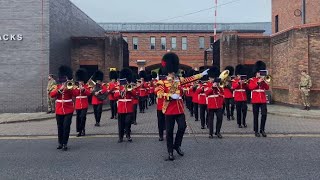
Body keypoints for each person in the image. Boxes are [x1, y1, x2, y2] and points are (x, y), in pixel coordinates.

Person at [156, 52, 208, 161]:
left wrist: (201, 75)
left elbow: (190, 79)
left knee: (182, 127)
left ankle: (177, 145)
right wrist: (170, 95)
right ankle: (170, 151)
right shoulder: (162, 82)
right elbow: (158, 93)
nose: (173, 72)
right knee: (169, 132)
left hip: (179, 109)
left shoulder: (179, 80)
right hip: (169, 109)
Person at [50, 66, 76, 151]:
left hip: (68, 109)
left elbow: (75, 93)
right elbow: (52, 94)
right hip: (59, 109)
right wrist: (60, 90)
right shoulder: (57, 86)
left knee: (66, 126)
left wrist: (70, 87)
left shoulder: (70, 86)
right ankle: (60, 143)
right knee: (60, 127)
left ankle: (65, 143)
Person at [114, 68, 137, 143]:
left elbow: (135, 94)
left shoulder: (130, 86)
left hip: (129, 107)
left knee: (128, 122)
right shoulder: (119, 87)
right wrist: (121, 91)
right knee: (121, 123)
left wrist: (129, 90)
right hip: (121, 108)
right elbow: (115, 95)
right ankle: (120, 137)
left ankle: (128, 135)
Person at [248, 61, 269, 137]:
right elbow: (251, 87)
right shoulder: (252, 79)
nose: (260, 74)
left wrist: (264, 81)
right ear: (256, 73)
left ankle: (262, 129)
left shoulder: (263, 80)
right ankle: (256, 130)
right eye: (259, 73)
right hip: (255, 99)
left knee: (264, 114)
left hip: (263, 99)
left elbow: (267, 88)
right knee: (255, 115)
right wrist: (258, 82)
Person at [205, 66, 224, 138]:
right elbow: (206, 93)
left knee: (220, 118)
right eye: (211, 78)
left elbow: (222, 92)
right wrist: (212, 87)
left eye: (214, 78)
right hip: (210, 104)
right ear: (209, 78)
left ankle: (218, 132)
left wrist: (218, 87)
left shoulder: (219, 84)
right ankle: (210, 133)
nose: (213, 79)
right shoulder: (207, 84)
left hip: (218, 104)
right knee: (211, 119)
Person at [74, 69, 91, 137]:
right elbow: (74, 94)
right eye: (79, 81)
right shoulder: (75, 87)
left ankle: (83, 129)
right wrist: (78, 89)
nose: (80, 82)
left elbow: (89, 93)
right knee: (78, 117)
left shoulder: (86, 86)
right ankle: (79, 130)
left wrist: (83, 89)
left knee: (83, 117)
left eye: (81, 81)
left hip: (84, 104)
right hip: (78, 104)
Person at [155, 69, 167, 141]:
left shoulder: (168, 84)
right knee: (160, 121)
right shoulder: (158, 85)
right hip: (160, 106)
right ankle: (161, 135)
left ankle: (167, 134)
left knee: (167, 121)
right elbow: (155, 92)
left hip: (167, 105)